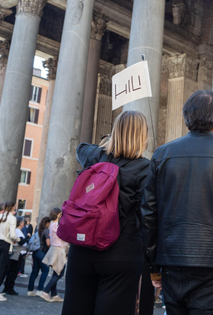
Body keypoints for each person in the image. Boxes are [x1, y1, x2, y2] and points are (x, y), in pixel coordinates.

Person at [142, 90, 213, 315]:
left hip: (172, 259)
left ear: (186, 117)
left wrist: (153, 266)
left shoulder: (162, 154)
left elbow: (148, 215)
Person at [61, 110, 151, 314]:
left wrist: (107, 143)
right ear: (143, 136)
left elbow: (81, 147)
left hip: (82, 249)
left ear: (114, 132)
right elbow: (148, 216)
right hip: (121, 252)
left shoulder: (94, 156)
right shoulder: (146, 169)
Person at [39, 207, 67, 303]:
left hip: (55, 249)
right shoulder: (56, 225)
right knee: (60, 273)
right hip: (59, 249)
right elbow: (63, 235)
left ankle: (54, 294)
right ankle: (46, 291)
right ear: (58, 215)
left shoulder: (52, 224)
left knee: (56, 272)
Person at [2, 216, 28, 296]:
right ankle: (9, 287)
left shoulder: (17, 231)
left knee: (11, 271)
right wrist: (27, 237)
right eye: (23, 222)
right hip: (17, 253)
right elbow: (21, 242)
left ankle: (7, 287)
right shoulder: (17, 231)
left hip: (17, 253)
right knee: (14, 271)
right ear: (20, 223)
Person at [27, 216, 51, 296]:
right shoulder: (46, 231)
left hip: (35, 252)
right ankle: (39, 289)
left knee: (34, 271)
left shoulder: (38, 230)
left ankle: (30, 290)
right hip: (42, 252)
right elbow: (48, 243)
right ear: (47, 223)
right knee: (45, 270)